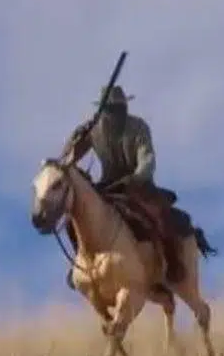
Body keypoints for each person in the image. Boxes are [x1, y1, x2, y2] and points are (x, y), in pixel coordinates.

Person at [59, 84, 186, 285]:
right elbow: (68, 159)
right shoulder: (94, 130)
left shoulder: (138, 127)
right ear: (104, 110)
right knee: (72, 219)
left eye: (120, 108)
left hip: (137, 184)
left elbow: (147, 158)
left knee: (158, 214)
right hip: (108, 185)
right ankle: (81, 261)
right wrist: (76, 137)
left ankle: (172, 264)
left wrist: (137, 177)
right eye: (112, 109)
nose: (118, 113)